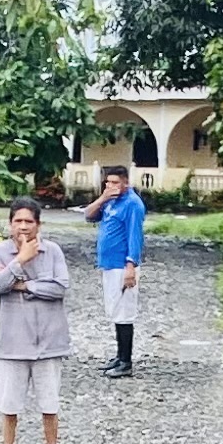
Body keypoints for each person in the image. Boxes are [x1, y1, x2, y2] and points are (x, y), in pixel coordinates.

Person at [0, 198, 74, 444]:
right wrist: (20, 260)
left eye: (29, 221)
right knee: (9, 403)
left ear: (38, 224)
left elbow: (60, 287)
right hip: (13, 341)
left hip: (49, 339)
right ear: (10, 224)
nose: (23, 226)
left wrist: (25, 286)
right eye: (18, 221)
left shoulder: (53, 251)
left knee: (50, 401)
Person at [89, 162, 147, 377]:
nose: (111, 186)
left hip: (122, 266)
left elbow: (135, 236)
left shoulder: (133, 204)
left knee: (124, 313)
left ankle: (126, 361)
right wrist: (103, 198)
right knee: (115, 310)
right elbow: (88, 215)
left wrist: (131, 265)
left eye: (115, 182)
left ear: (126, 183)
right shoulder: (110, 201)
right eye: (108, 182)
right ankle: (119, 355)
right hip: (109, 264)